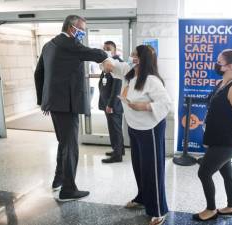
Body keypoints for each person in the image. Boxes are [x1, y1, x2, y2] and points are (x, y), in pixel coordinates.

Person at [34, 15, 112, 201]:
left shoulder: (49, 45)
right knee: (70, 146)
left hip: (54, 104)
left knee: (64, 143)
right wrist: (108, 56)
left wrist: (43, 100)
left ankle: (58, 180)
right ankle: (68, 190)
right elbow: (93, 53)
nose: (82, 34)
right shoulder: (69, 43)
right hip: (66, 104)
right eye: (81, 30)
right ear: (71, 28)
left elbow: (38, 73)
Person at [104, 45, 171, 225]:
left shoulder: (151, 80)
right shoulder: (129, 72)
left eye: (134, 55)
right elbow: (112, 65)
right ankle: (142, 197)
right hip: (134, 127)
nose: (131, 57)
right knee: (139, 166)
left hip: (150, 129)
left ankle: (158, 209)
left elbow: (166, 103)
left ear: (142, 59)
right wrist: (106, 61)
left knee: (153, 169)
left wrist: (145, 106)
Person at [192, 49, 232, 221]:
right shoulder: (222, 83)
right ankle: (231, 206)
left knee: (204, 172)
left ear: (230, 66)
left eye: (219, 62)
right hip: (218, 139)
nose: (216, 64)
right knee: (226, 172)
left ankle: (211, 210)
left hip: (227, 142)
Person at [99, 41, 125, 163]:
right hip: (107, 103)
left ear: (115, 50)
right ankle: (119, 149)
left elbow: (117, 87)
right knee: (115, 128)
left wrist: (110, 105)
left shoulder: (116, 63)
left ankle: (117, 155)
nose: (106, 50)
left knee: (115, 129)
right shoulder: (107, 62)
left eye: (108, 48)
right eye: (104, 48)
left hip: (113, 104)